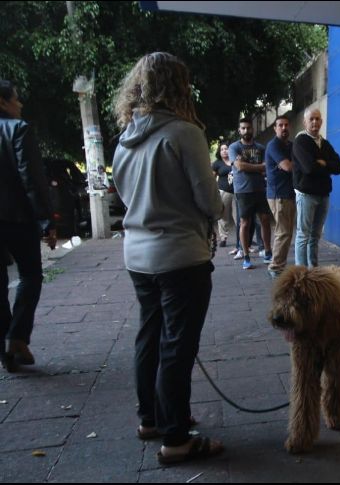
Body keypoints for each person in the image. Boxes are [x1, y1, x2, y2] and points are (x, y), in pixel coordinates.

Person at [112, 52, 224, 465]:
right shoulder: (184, 133)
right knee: (177, 345)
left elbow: (123, 195)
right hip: (180, 255)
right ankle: (176, 437)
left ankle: (152, 419)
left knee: (150, 336)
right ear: (179, 87)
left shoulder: (126, 138)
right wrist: (214, 212)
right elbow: (209, 201)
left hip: (137, 255)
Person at [0, 80, 57, 372]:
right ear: (3, 102)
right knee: (31, 276)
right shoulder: (17, 129)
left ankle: (7, 348)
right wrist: (46, 220)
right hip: (17, 218)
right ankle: (17, 338)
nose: (20, 105)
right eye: (16, 99)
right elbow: (31, 178)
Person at [292, 108, 340, 267]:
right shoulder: (300, 141)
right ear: (305, 122)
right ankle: (301, 274)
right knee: (303, 235)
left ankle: (313, 270)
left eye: (318, 119)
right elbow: (309, 168)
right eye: (311, 119)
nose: (315, 122)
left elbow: (339, 167)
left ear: (321, 121)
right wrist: (326, 165)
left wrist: (323, 163)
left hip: (324, 195)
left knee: (315, 236)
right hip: (306, 194)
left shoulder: (325, 144)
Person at [230, 117, 272, 270]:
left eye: (248, 128)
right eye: (243, 128)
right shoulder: (234, 147)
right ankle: (246, 256)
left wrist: (253, 166)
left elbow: (267, 166)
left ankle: (268, 252)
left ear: (252, 129)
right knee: (245, 223)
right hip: (243, 191)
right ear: (239, 130)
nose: (246, 131)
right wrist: (259, 167)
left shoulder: (261, 148)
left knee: (265, 220)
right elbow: (239, 166)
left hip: (260, 189)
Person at [265, 115, 296, 279]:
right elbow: (288, 167)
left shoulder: (290, 145)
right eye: (280, 125)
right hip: (279, 195)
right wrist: (300, 163)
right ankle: (275, 267)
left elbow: (292, 164)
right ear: (275, 128)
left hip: (288, 193)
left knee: (286, 232)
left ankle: (278, 265)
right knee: (283, 232)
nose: (284, 128)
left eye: (286, 125)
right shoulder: (274, 145)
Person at [211, 142, 234, 247]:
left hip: (238, 191)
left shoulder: (235, 161)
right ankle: (223, 238)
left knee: (240, 216)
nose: (224, 151)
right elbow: (211, 178)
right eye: (222, 149)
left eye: (226, 148)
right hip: (224, 191)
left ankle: (244, 239)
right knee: (223, 216)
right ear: (219, 152)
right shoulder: (217, 163)